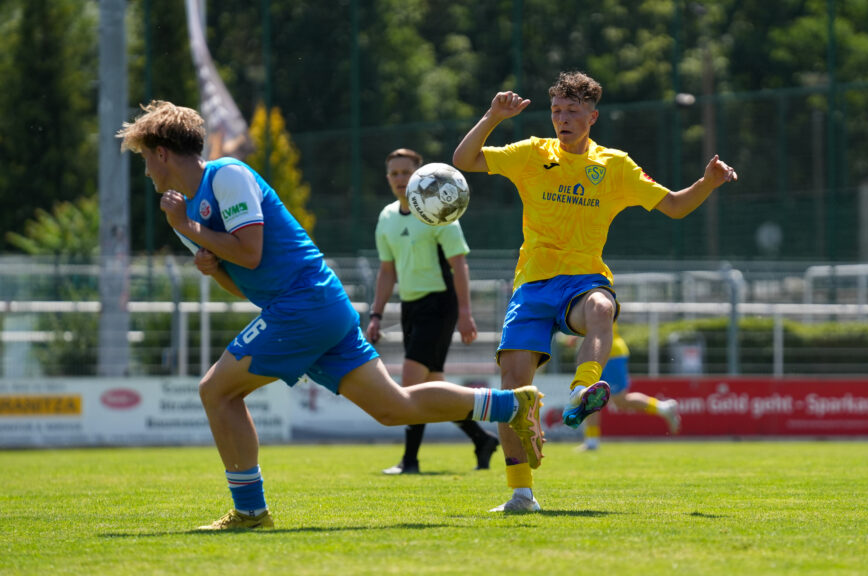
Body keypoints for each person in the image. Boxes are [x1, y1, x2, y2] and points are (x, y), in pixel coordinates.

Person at [116, 101, 543, 530]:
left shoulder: (226, 175)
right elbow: (240, 278)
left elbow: (251, 251)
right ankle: (511, 404)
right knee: (394, 407)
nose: (147, 170)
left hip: (306, 302)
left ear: (162, 152)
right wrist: (211, 266)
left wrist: (194, 232)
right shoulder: (181, 214)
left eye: (144, 158)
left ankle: (249, 510)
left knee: (217, 391)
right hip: (309, 306)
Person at [452, 71, 737, 512]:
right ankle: (521, 494)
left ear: (592, 116)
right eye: (556, 111)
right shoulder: (531, 153)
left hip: (582, 280)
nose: (561, 119)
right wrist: (492, 116)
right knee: (511, 391)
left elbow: (676, 206)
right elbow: (464, 160)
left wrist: (708, 184)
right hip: (531, 284)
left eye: (572, 111)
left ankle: (584, 390)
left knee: (602, 307)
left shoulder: (615, 166)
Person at [367, 148, 499, 475]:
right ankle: (482, 438)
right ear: (388, 178)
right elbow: (387, 272)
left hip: (440, 305)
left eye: (406, 173)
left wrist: (466, 313)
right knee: (435, 390)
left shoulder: (438, 211)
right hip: (411, 306)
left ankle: (409, 461)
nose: (400, 179)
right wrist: (376, 315)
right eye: (394, 173)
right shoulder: (385, 218)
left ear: (420, 176)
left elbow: (459, 265)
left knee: (410, 385)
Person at [574, 322, 680, 451]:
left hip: (610, 352)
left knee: (620, 400)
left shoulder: (597, 302)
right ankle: (591, 441)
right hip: (597, 354)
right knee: (590, 397)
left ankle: (663, 408)